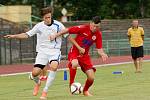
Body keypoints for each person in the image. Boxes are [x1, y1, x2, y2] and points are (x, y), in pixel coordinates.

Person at [4, 6, 65, 99]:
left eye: (49, 17)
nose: (48, 19)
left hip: (54, 51)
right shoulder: (39, 26)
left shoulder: (59, 25)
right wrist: (13, 36)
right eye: (46, 18)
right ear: (42, 18)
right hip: (42, 52)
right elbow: (27, 35)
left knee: (54, 66)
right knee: (35, 73)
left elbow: (67, 33)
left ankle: (45, 91)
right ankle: (38, 83)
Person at [49, 16, 108, 96]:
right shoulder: (83, 28)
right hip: (74, 52)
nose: (95, 28)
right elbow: (67, 30)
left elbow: (99, 49)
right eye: (94, 26)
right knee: (75, 63)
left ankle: (85, 91)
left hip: (85, 56)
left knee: (91, 77)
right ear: (90, 23)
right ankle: (71, 84)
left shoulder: (98, 34)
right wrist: (55, 35)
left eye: (97, 27)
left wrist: (102, 54)